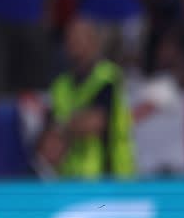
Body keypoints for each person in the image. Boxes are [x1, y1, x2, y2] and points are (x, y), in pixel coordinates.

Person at [37, 19, 136, 179]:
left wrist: (62, 128)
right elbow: (49, 138)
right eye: (69, 38)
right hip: (71, 180)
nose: (73, 43)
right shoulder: (60, 85)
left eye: (79, 38)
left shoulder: (107, 76)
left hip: (109, 177)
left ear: (94, 42)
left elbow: (95, 122)